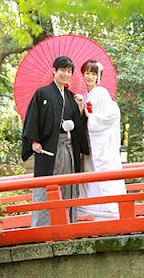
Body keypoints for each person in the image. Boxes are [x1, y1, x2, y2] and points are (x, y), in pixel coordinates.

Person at [21, 55, 90, 227]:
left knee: (68, 185)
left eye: (69, 72)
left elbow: (80, 125)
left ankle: (68, 223)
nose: (66, 74)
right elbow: (33, 118)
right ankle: (42, 226)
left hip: (68, 148)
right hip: (49, 149)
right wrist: (34, 141)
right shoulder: (42, 93)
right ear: (54, 70)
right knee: (47, 186)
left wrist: (80, 108)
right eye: (63, 70)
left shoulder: (71, 97)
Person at [74, 59, 127, 220]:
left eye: (94, 74)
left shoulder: (102, 94)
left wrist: (90, 116)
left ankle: (109, 212)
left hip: (102, 145)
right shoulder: (84, 96)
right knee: (90, 175)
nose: (90, 77)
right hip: (90, 145)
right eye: (87, 73)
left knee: (104, 175)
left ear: (98, 76)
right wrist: (81, 108)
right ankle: (92, 210)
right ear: (83, 75)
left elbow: (112, 115)